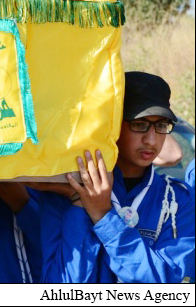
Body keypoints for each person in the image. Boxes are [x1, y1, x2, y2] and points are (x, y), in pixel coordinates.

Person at [39, 71, 195, 283]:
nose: (151, 139)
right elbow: (60, 288)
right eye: (139, 124)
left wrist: (103, 216)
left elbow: (164, 285)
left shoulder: (178, 201)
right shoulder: (64, 194)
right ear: (112, 126)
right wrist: (79, 206)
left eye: (160, 125)